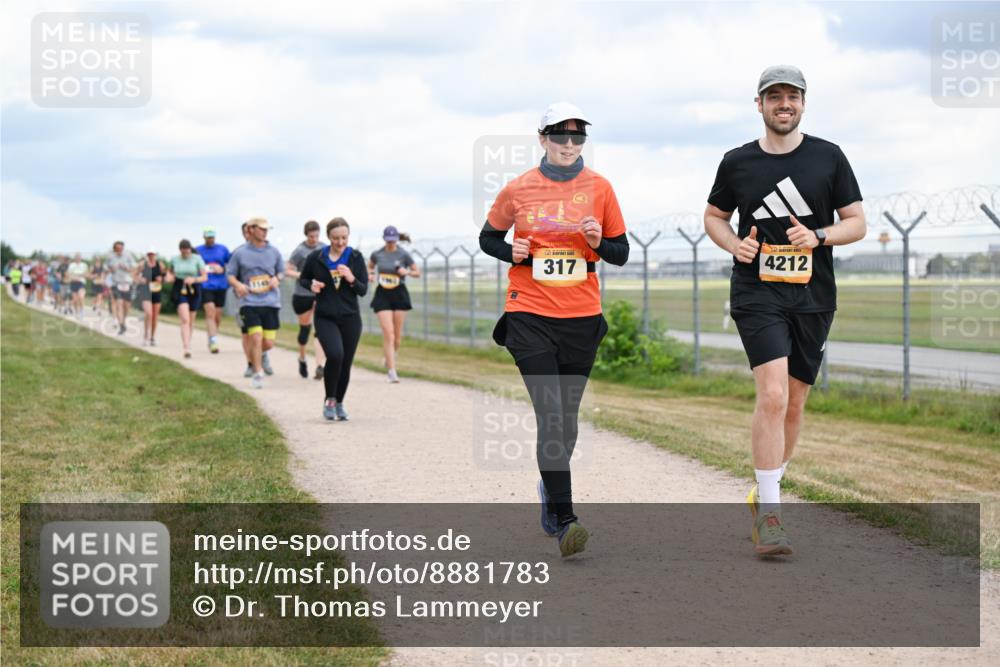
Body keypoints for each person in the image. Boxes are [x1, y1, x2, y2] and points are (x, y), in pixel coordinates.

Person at [703, 66, 866, 556]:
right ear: (759, 104)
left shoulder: (829, 157)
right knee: (772, 396)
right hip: (757, 293)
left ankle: (763, 491)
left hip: (814, 295)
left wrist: (818, 235)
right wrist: (736, 246)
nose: (783, 104)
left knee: (794, 403)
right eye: (774, 96)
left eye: (791, 96)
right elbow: (714, 216)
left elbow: (856, 223)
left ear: (803, 103)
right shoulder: (737, 162)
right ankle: (771, 518)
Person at [480, 102, 629, 558]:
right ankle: (567, 520)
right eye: (559, 135)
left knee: (566, 422)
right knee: (551, 415)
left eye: (577, 136)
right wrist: (515, 252)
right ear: (541, 138)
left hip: (581, 318)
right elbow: (487, 239)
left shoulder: (600, 188)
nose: (569, 144)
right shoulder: (518, 188)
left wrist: (595, 241)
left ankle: (550, 486)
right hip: (528, 314)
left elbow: (620, 253)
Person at [298, 217, 368, 420]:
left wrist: (351, 278)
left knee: (345, 362)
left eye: (344, 238)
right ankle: (329, 399)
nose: (340, 242)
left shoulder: (355, 257)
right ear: (328, 237)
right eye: (336, 238)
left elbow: (363, 290)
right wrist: (311, 284)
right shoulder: (316, 257)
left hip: (350, 318)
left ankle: (339, 403)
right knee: (335, 355)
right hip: (325, 316)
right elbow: (304, 278)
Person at [226, 218, 284, 389]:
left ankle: (260, 355)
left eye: (267, 229)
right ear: (251, 230)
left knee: (268, 343)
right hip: (249, 302)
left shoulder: (274, 251)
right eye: (261, 229)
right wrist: (238, 285)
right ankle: (258, 373)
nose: (265, 232)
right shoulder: (240, 253)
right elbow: (230, 275)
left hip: (271, 301)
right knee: (256, 337)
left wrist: (276, 279)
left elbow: (281, 272)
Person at [368, 225, 420, 383]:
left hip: (399, 294)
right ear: (384, 239)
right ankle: (392, 371)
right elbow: (370, 267)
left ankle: (389, 358)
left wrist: (407, 272)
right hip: (383, 293)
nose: (391, 243)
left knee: (397, 337)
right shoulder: (377, 254)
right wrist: (370, 274)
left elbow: (417, 272)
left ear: (397, 239)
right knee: (388, 333)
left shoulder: (403, 254)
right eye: (388, 240)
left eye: (393, 240)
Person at [286, 220, 327, 379]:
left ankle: (319, 365)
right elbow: (288, 270)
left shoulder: (324, 248)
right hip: (302, 294)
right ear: (306, 235)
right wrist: (303, 276)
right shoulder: (299, 251)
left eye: (316, 236)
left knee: (320, 329)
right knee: (305, 330)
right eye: (311, 236)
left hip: (319, 294)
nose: (314, 239)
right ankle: (302, 358)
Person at [167, 239, 208, 358]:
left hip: (194, 287)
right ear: (180, 250)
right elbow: (170, 273)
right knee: (185, 319)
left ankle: (188, 342)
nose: (185, 254)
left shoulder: (197, 259)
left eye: (187, 252)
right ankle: (186, 347)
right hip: (179, 287)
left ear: (190, 250)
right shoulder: (175, 259)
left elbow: (204, 277)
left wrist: (194, 279)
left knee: (191, 319)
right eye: (183, 252)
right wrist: (169, 277)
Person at [195, 227, 231, 354]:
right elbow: (193, 265)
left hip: (221, 285)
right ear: (204, 237)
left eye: (212, 237)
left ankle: (212, 337)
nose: (210, 239)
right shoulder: (198, 250)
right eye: (208, 237)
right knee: (210, 312)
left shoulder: (223, 249)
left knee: (217, 316)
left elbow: (232, 264)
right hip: (205, 285)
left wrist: (223, 269)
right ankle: (214, 341)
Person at [106, 241, 137, 335]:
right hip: (116, 283)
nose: (119, 250)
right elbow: (107, 268)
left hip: (127, 282)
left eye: (121, 249)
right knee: (119, 303)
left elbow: (134, 268)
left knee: (126, 305)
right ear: (114, 249)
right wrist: (112, 269)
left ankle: (123, 319)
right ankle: (122, 325)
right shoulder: (110, 257)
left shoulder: (128, 255)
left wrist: (126, 268)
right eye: (117, 249)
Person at [137, 248, 166, 346]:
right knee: (148, 313)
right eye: (149, 254)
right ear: (147, 255)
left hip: (156, 291)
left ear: (155, 254)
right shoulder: (142, 264)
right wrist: (140, 279)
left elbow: (165, 276)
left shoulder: (160, 265)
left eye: (152, 254)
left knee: (154, 316)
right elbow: (134, 275)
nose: (151, 256)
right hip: (145, 291)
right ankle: (145, 336)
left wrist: (161, 279)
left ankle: (152, 337)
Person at [65, 253, 89, 319]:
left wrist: (80, 275)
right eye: (76, 258)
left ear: (81, 258)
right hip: (73, 283)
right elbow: (68, 274)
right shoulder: (72, 265)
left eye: (79, 258)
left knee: (81, 297)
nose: (78, 259)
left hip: (81, 283)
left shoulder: (84, 265)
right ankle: (77, 312)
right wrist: (73, 277)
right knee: (75, 300)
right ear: (75, 258)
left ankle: (82, 310)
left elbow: (86, 274)